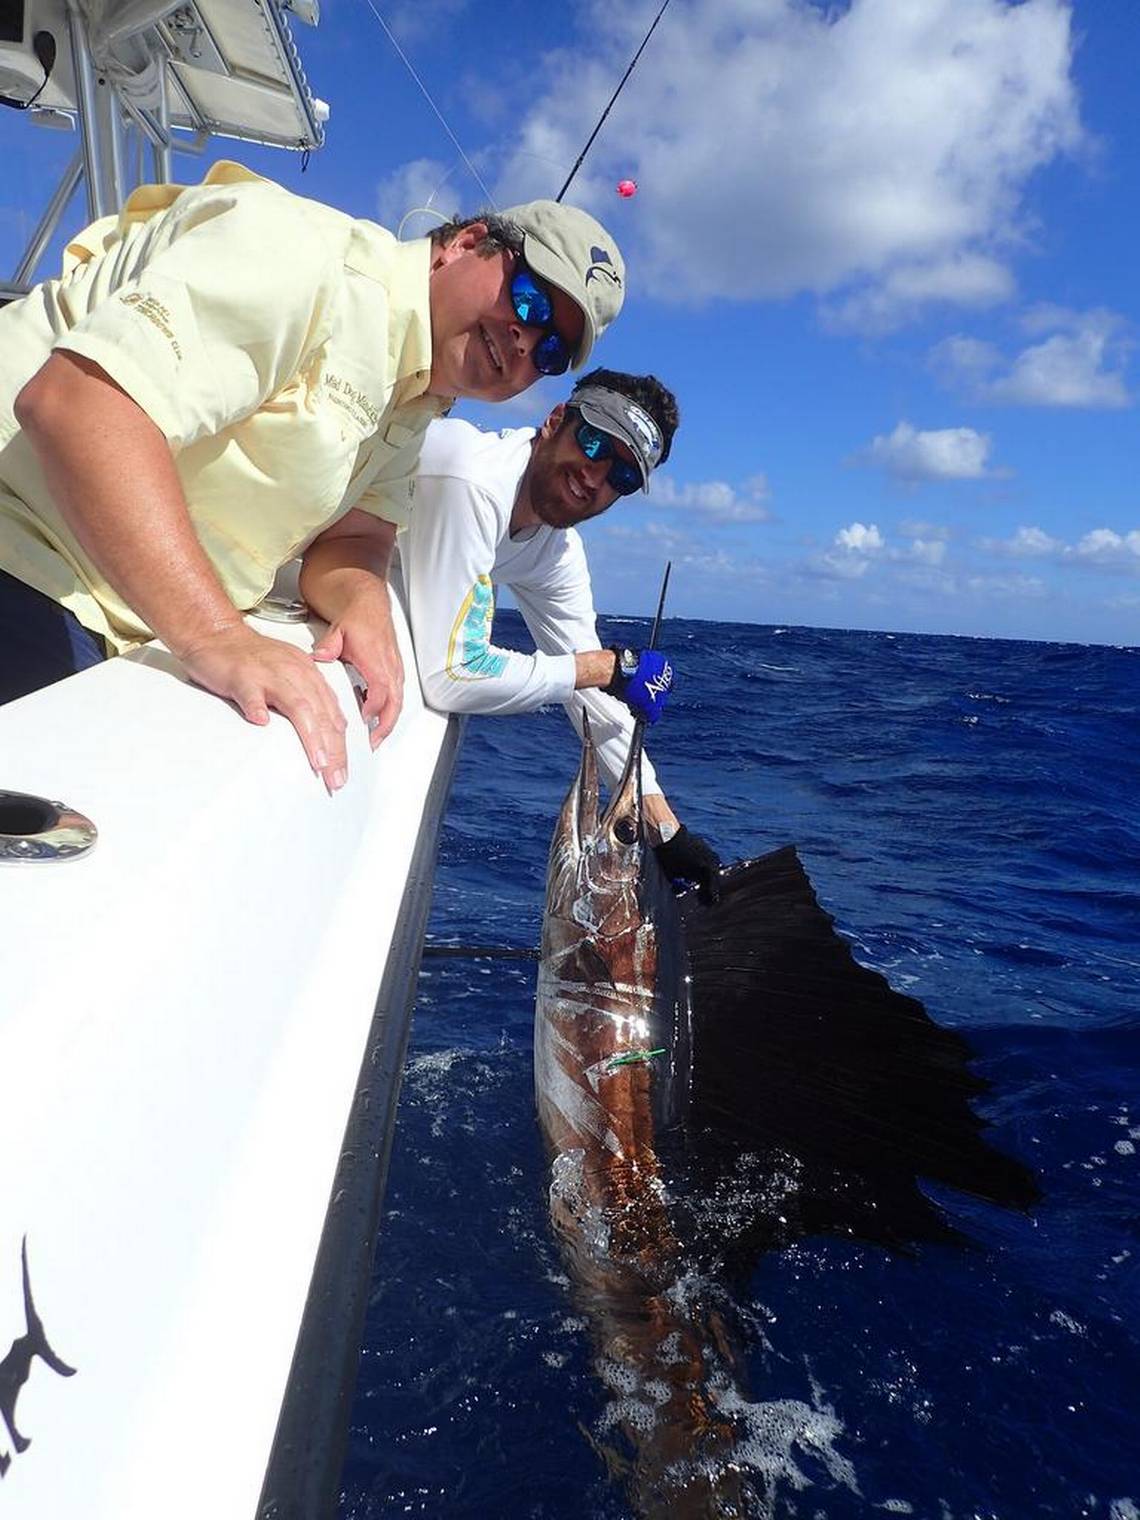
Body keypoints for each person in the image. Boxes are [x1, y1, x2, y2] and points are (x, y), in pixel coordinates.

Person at [0, 162, 625, 793]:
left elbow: (357, 538)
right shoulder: (303, 256)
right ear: (464, 245)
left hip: (123, 617)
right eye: (530, 300)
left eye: (550, 352)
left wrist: (364, 601)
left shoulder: (419, 393)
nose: (525, 341)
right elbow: (78, 406)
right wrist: (217, 636)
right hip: (26, 557)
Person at [390, 368, 721, 898]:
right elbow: (452, 675)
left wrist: (666, 830)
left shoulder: (556, 549)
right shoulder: (474, 478)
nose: (596, 476)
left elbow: (594, 693)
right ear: (553, 421)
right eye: (593, 442)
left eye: (623, 477)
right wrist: (609, 667)